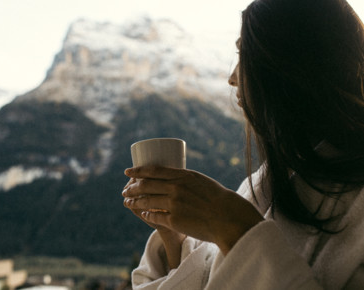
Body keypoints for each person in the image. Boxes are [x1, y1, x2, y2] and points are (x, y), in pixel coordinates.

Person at [122, 0, 364, 288]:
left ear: (289, 64)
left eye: (243, 54)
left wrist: (233, 225)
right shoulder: (260, 188)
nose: (232, 78)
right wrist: (172, 236)